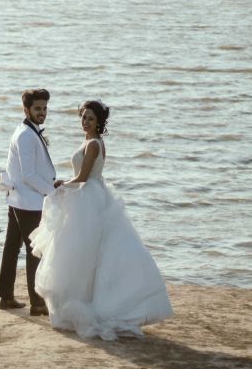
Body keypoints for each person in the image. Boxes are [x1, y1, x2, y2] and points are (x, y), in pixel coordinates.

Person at [30, 99, 173, 340]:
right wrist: (67, 183)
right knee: (82, 254)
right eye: (83, 117)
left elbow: (83, 177)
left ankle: (93, 304)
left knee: (83, 254)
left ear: (99, 123)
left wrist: (62, 184)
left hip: (88, 199)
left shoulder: (94, 144)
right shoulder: (89, 141)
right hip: (89, 196)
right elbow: (82, 176)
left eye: (90, 119)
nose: (85, 122)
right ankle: (81, 299)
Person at [0, 88, 60, 316]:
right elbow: (28, 175)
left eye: (44, 108)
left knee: (11, 248)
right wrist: (51, 191)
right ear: (26, 109)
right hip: (28, 202)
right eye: (37, 108)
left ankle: (6, 297)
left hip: (18, 199)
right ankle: (37, 303)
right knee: (35, 252)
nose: (42, 112)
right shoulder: (25, 135)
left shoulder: (26, 130)